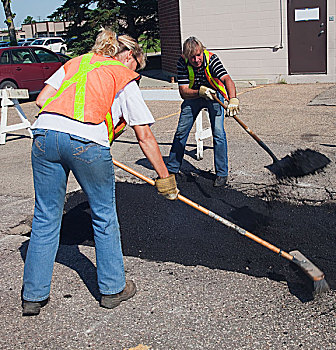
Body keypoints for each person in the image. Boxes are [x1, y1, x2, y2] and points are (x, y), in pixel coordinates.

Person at [21, 29, 179, 316]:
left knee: (45, 216)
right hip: (85, 143)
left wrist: (64, 132)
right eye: (137, 65)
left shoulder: (76, 62)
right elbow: (144, 135)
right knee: (104, 215)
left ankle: (33, 295)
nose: (135, 71)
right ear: (129, 56)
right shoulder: (121, 74)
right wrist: (164, 178)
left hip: (44, 135)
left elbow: (42, 100)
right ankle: (112, 289)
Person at [167, 36, 239, 187]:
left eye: (198, 55)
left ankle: (221, 173)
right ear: (187, 56)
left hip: (214, 97)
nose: (197, 59)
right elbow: (183, 92)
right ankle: (172, 170)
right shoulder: (182, 62)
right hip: (193, 96)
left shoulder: (212, 59)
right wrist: (199, 92)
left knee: (218, 133)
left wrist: (233, 99)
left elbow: (227, 79)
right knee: (181, 132)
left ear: (202, 51)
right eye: (192, 57)